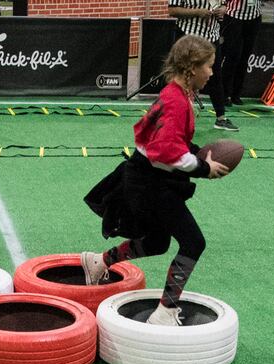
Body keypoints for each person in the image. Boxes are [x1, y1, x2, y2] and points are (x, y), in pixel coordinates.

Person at [81, 35, 232, 326]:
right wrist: (203, 167)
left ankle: (99, 262)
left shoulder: (176, 94)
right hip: (150, 183)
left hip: (146, 179)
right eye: (209, 66)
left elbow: (163, 143)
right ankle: (165, 311)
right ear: (191, 68)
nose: (212, 73)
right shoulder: (176, 101)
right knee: (193, 242)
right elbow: (163, 152)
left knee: (157, 242)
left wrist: (195, 156)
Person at [169, 0, 238, 131]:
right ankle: (177, 116)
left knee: (216, 76)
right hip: (189, 35)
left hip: (212, 36)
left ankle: (221, 118)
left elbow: (224, 4)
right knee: (184, 77)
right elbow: (172, 10)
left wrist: (222, 9)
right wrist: (197, 12)